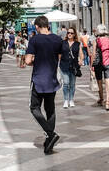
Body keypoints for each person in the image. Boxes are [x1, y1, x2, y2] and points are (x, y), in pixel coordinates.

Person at [24, 15, 63, 153]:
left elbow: (28, 61)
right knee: (50, 110)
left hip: (38, 79)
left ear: (37, 26)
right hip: (52, 79)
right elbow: (59, 57)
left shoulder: (34, 40)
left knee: (34, 108)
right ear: (48, 25)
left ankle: (50, 134)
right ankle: (49, 142)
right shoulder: (58, 39)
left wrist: (36, 60)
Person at [92, 25, 109, 110]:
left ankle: (101, 98)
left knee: (99, 82)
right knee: (108, 82)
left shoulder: (96, 41)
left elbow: (94, 54)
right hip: (108, 63)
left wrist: (91, 65)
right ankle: (108, 101)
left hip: (98, 64)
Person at [59, 25, 82, 108]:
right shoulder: (63, 43)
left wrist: (81, 60)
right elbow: (59, 54)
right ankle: (65, 100)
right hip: (64, 65)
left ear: (74, 34)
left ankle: (71, 99)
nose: (69, 34)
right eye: (68, 32)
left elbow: (81, 54)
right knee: (66, 83)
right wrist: (58, 63)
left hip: (74, 66)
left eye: (71, 33)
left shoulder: (77, 44)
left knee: (72, 84)